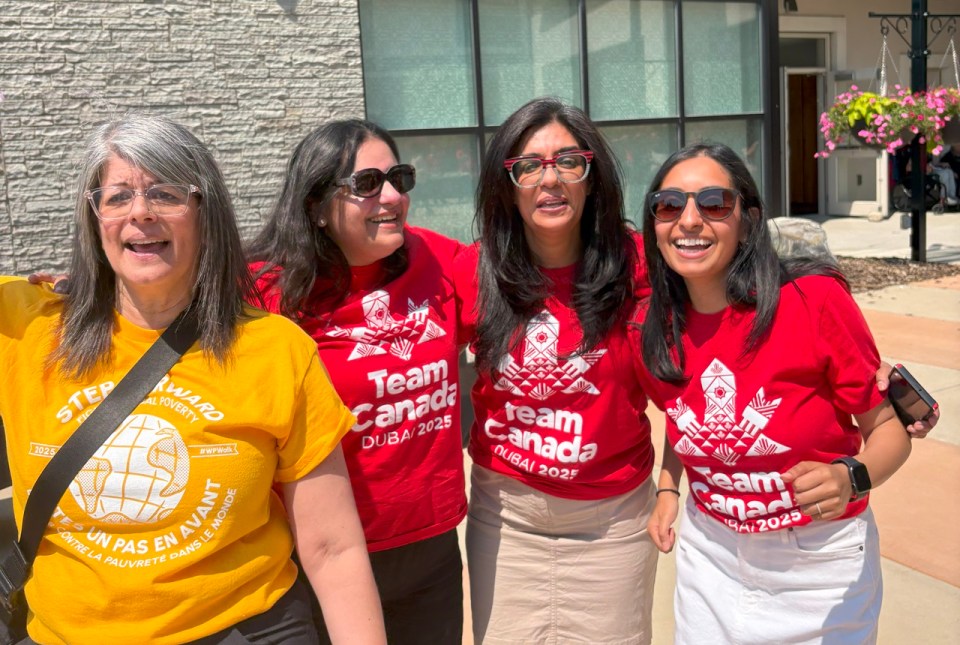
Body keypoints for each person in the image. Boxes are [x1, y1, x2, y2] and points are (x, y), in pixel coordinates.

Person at [0, 113, 385, 644]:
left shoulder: (274, 348)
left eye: (166, 193)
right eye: (116, 198)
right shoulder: (22, 328)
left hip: (244, 630)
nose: (140, 213)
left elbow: (331, 548)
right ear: (93, 219)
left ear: (205, 212)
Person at [636, 143, 913, 644]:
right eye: (670, 204)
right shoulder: (652, 325)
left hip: (818, 566)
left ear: (748, 218)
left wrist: (853, 476)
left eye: (715, 203)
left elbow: (888, 428)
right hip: (710, 557)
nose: (689, 220)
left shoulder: (813, 302)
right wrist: (668, 489)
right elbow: (688, 421)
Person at [247, 119, 466, 645]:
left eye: (399, 178)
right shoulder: (262, 294)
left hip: (430, 549)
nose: (391, 196)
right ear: (317, 207)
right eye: (367, 184)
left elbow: (537, 280)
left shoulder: (438, 259)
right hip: (318, 557)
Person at [452, 97, 658, 644]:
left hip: (613, 523)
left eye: (569, 162)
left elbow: (729, 321)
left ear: (592, 179)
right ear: (508, 184)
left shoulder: (637, 262)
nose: (551, 179)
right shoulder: (475, 271)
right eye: (529, 165)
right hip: (507, 520)